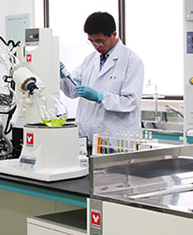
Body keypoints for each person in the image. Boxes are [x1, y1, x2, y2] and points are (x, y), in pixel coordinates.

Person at [60, 12, 144, 147]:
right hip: (86, 139)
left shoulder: (132, 61)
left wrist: (101, 97)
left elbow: (131, 102)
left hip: (116, 142)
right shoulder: (90, 59)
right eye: (91, 41)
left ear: (114, 34)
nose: (96, 46)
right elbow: (72, 91)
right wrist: (63, 76)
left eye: (99, 41)